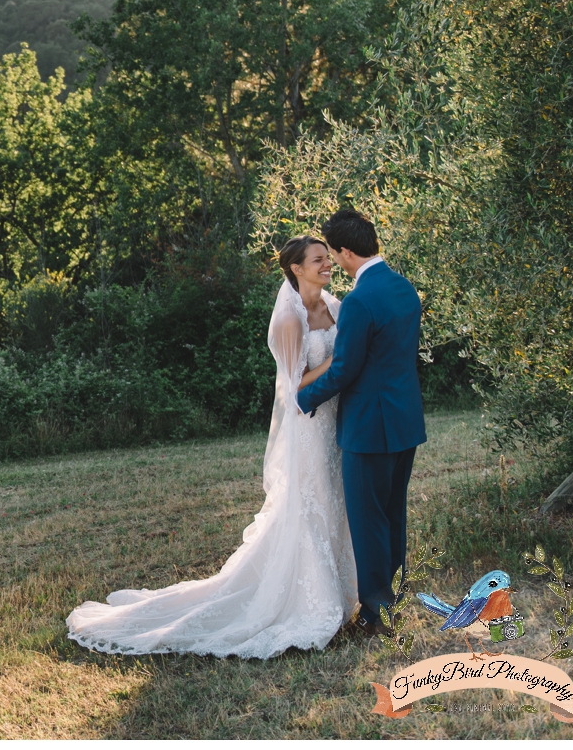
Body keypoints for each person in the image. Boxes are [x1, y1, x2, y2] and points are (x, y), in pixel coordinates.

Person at [66, 235, 358, 658]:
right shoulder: (289, 320)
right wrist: (339, 360)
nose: (327, 265)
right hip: (308, 429)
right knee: (309, 504)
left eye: (328, 259)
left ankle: (341, 593)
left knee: (334, 501)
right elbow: (292, 389)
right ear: (296, 268)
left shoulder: (335, 307)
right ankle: (310, 603)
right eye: (319, 260)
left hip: (335, 425)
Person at [296, 209, 426, 635]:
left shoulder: (359, 301)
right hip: (404, 423)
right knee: (391, 516)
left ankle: (374, 614)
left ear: (347, 251)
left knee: (368, 521)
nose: (332, 261)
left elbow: (345, 369)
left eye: (333, 253)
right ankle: (389, 601)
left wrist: (302, 398)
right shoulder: (404, 288)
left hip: (369, 428)